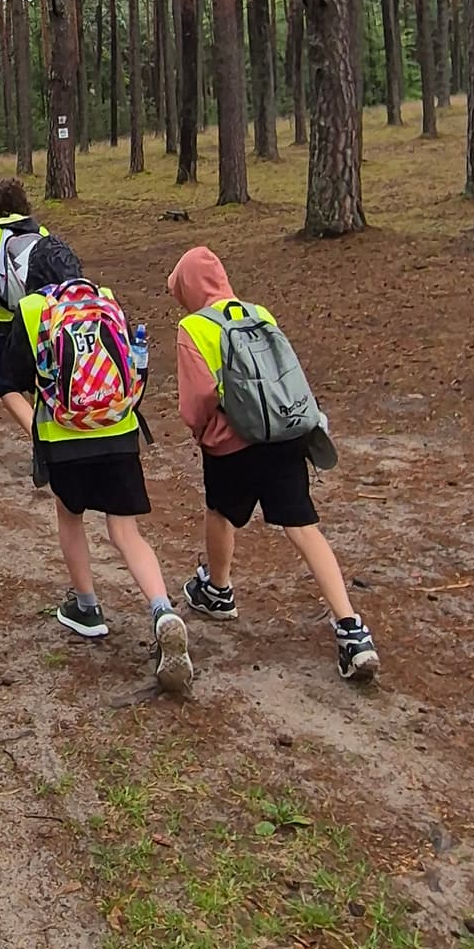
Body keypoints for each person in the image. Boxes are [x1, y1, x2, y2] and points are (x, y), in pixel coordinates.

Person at [169, 246, 379, 685]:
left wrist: (204, 429)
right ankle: (351, 629)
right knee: (302, 526)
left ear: (187, 286)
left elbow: (198, 401)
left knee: (221, 512)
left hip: (232, 443)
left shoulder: (193, 328)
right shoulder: (257, 311)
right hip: (283, 435)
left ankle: (219, 591)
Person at [18, 236, 193, 695]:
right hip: (119, 430)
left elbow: (16, 377)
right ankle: (162, 610)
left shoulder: (34, 309)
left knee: (70, 518)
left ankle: (87, 606)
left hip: (65, 437)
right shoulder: (106, 300)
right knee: (126, 531)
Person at [0, 176, 48, 433]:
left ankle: (39, 442)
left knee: (6, 384)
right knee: (41, 380)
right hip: (42, 319)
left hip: (6, 322)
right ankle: (49, 436)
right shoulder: (42, 233)